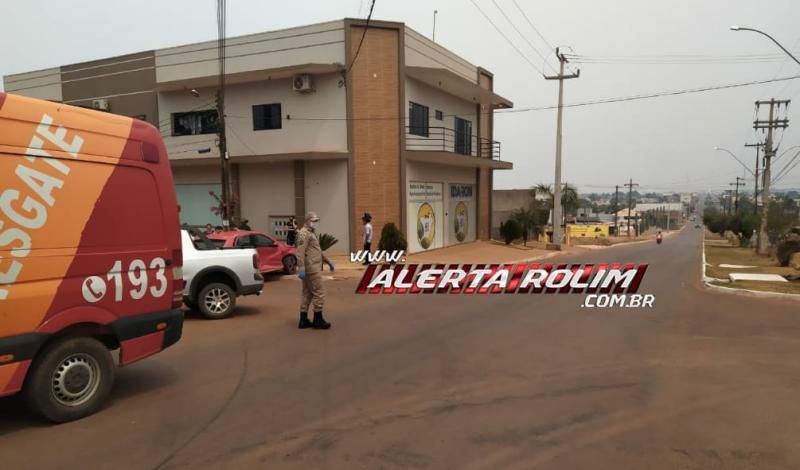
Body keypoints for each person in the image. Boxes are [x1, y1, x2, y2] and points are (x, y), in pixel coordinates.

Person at [296, 211, 335, 330]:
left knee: (307, 293)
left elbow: (318, 251)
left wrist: (328, 262)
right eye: (314, 221)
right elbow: (299, 252)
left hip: (313, 266)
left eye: (317, 221)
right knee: (319, 292)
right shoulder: (303, 234)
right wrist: (301, 268)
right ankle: (318, 319)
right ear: (307, 221)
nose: (316, 223)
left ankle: (303, 320)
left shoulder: (311, 233)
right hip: (312, 268)